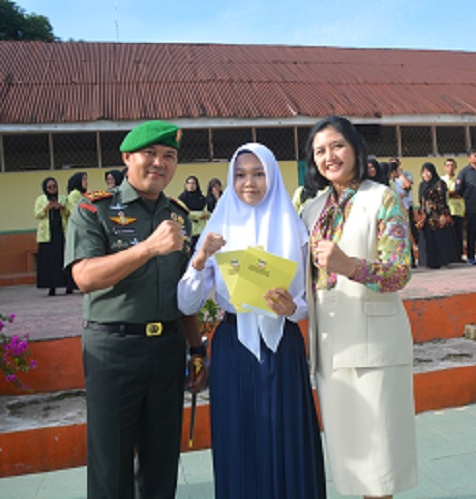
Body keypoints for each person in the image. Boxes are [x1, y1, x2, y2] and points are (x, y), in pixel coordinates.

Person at [65, 120, 205, 499]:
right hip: (114, 349)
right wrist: (147, 248)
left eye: (169, 156)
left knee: (161, 463)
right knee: (111, 464)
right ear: (128, 158)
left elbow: (183, 293)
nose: (159, 163)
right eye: (150, 154)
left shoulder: (179, 215)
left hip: (167, 350)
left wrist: (196, 349)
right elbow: (85, 277)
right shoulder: (93, 209)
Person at [178, 143, 324, 498]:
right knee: (238, 436)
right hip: (233, 345)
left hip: (282, 345)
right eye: (241, 174)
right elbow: (186, 303)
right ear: (230, 178)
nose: (249, 182)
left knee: (286, 434)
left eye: (259, 173)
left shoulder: (295, 227)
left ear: (272, 176)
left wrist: (293, 309)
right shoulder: (218, 228)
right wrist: (199, 259)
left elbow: (308, 303)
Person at [301, 116, 418, 498]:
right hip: (331, 346)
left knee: (379, 459)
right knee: (348, 455)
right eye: (320, 151)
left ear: (354, 148)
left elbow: (400, 272)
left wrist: (348, 265)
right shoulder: (311, 208)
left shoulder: (381, 198)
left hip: (376, 345)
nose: (329, 156)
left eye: (337, 146)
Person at [417, 162, 460, 269]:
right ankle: (429, 262)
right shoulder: (422, 185)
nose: (426, 174)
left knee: (440, 239)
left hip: (437, 215)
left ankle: (441, 260)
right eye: (424, 172)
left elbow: (443, 200)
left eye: (428, 172)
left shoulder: (440, 183)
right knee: (428, 240)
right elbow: (421, 201)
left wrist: (443, 215)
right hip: (426, 217)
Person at [34, 176, 70, 296]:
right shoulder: (40, 199)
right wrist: (46, 208)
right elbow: (37, 215)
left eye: (54, 186)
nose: (52, 189)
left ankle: (67, 285)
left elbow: (69, 213)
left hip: (61, 233)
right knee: (49, 262)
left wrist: (62, 207)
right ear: (45, 188)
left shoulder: (63, 198)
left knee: (63, 260)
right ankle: (51, 287)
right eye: (49, 187)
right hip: (47, 236)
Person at [439, 159, 466, 261]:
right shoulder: (441, 180)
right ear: (445, 167)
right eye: (448, 165)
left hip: (458, 210)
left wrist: (451, 193)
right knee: (447, 235)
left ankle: (458, 256)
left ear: (455, 167)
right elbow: (443, 194)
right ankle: (448, 257)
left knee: (458, 235)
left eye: (452, 165)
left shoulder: (459, 180)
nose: (450, 168)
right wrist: (454, 193)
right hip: (446, 211)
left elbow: (462, 193)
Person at [179, 176, 209, 249]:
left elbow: (207, 214)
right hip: (187, 231)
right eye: (189, 183)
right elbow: (184, 213)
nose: (191, 185)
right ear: (186, 185)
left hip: (201, 231)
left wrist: (192, 213)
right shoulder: (182, 198)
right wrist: (199, 214)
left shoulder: (202, 198)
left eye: (193, 183)